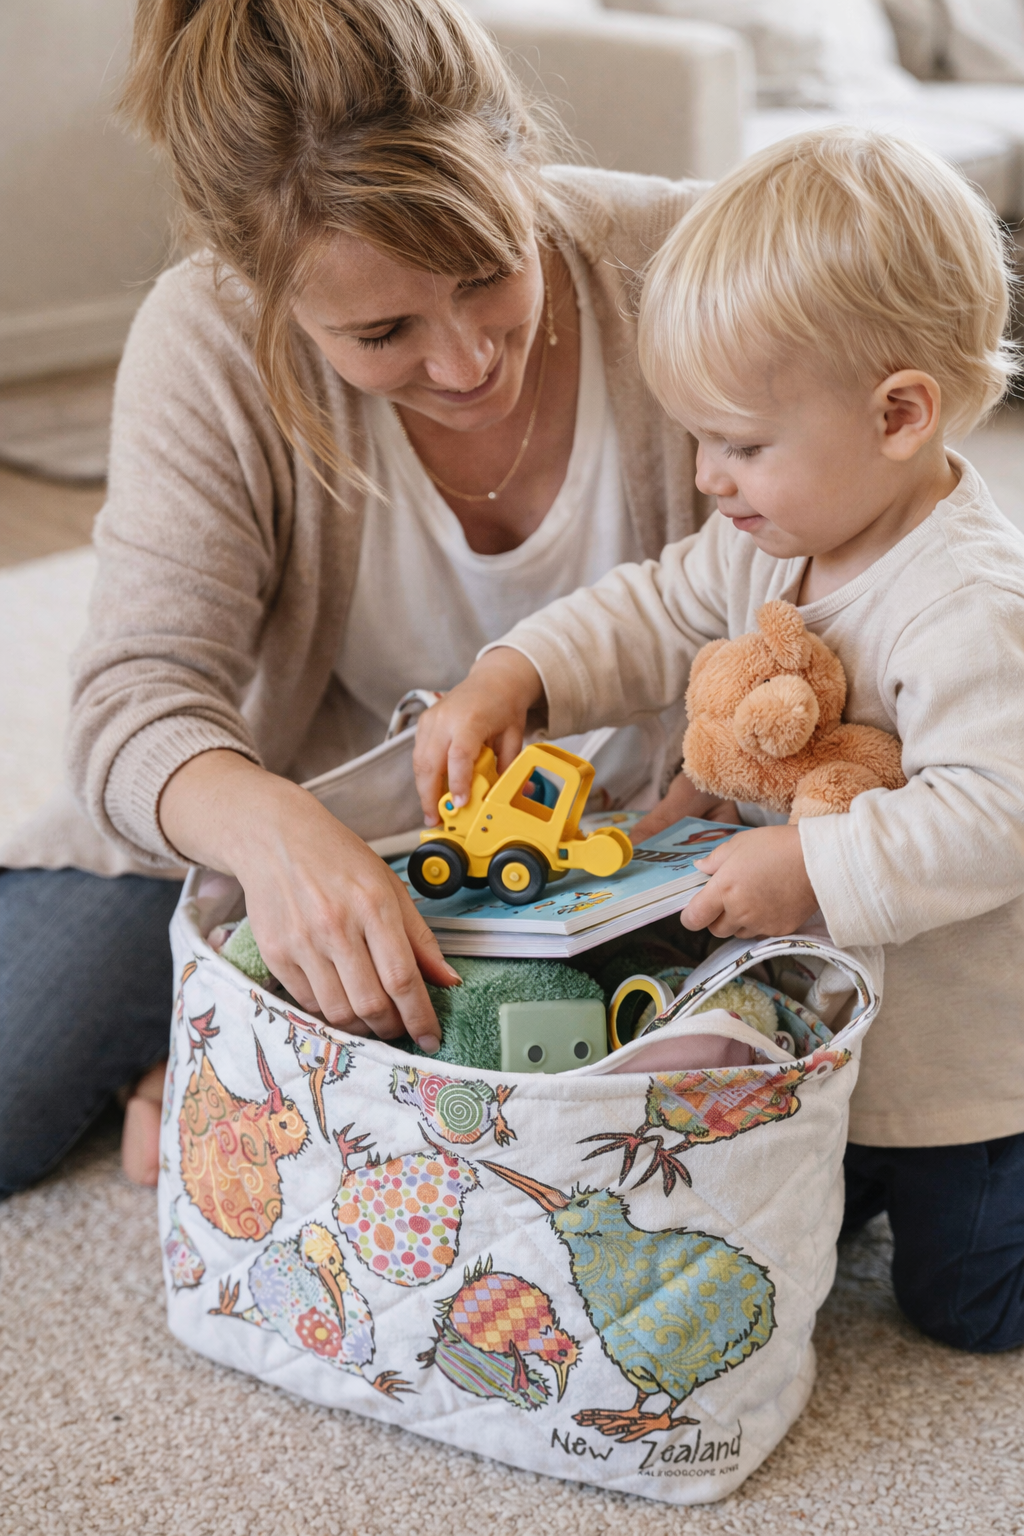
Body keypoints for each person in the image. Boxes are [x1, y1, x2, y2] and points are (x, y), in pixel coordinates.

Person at [0, 0, 708, 1197]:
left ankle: (253, 1039)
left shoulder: (683, 264)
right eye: (383, 332)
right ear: (268, 294)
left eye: (489, 274)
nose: (467, 361)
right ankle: (246, 1014)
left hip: (655, 835)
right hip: (326, 816)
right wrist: (280, 843)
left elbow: (874, 560)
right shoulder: (211, 339)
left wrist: (707, 814)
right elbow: (132, 701)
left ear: (517, 154)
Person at [414, 127, 1024, 1353]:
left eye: (740, 444)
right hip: (823, 1035)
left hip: (973, 1072)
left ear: (899, 413)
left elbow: (997, 812)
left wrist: (813, 867)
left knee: (967, 1305)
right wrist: (515, 672)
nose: (706, 477)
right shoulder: (767, 536)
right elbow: (651, 607)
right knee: (767, 1218)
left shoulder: (969, 604)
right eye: (696, 438)